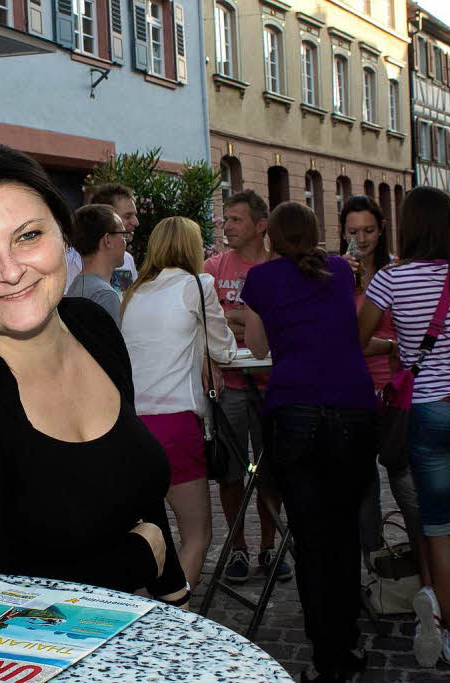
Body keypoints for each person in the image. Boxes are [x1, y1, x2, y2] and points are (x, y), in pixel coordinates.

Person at [0, 141, 189, 605]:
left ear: (63, 232)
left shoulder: (95, 326)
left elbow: (140, 497)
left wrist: (176, 599)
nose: (11, 271)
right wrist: (138, 559)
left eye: (27, 237)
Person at [358, 186, 450, 671]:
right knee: (435, 511)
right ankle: (429, 594)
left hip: (432, 410)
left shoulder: (391, 279)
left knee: (441, 528)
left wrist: (392, 344)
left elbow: (359, 337)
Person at [242, 201, 378, 682]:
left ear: (271, 238)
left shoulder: (259, 279)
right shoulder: (341, 271)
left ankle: (326, 659)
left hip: (295, 408)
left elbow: (258, 348)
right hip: (353, 407)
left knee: (311, 539)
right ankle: (347, 640)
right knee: (343, 534)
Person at [120, 217, 237, 592]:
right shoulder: (197, 285)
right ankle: (171, 619)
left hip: (134, 427)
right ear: (191, 248)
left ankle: (143, 615)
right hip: (176, 424)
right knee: (197, 534)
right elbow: (226, 349)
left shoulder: (135, 291)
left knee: (146, 538)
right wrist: (211, 353)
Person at [342, 195, 434, 597]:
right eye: (352, 231)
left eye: (367, 231)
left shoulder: (398, 274)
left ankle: (427, 566)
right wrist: (380, 344)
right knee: (363, 485)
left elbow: (410, 338)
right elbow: (340, 339)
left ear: (381, 231)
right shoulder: (335, 275)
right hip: (353, 390)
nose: (360, 239)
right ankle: (375, 565)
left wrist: (377, 345)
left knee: (405, 480)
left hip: (395, 392)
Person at [203, 189, 291, 584]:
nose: (228, 226)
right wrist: (245, 317)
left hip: (274, 385)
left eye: (236, 219)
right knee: (231, 473)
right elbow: (205, 320)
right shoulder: (212, 267)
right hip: (231, 385)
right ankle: (237, 548)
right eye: (226, 219)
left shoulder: (278, 268)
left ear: (261, 225)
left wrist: (232, 316)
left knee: (271, 471)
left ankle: (270, 547)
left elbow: (279, 323)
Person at [65, 183, 139, 293]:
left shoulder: (126, 259)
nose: (136, 222)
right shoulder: (67, 260)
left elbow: (124, 300)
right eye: (127, 216)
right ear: (102, 215)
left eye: (135, 215)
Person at [67, 204, 128, 324]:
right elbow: (110, 343)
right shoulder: (105, 295)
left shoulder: (76, 285)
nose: (125, 242)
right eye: (123, 235)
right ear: (107, 240)